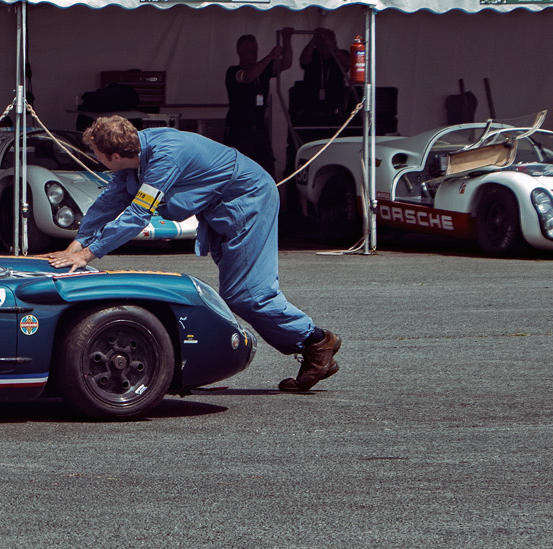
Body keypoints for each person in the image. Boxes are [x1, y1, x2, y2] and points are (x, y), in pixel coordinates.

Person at [46, 116, 342, 392]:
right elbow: (108, 202)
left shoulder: (165, 157)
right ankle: (314, 346)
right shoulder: (136, 155)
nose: (95, 158)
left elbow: (138, 214)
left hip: (249, 201)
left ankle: (317, 341)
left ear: (113, 156)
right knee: (242, 293)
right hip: (224, 210)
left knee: (248, 294)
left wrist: (87, 256)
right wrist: (76, 246)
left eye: (96, 153)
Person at [224, 30, 293, 173]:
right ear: (239, 51)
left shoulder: (264, 69)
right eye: (250, 51)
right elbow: (247, 77)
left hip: (259, 130)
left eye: (255, 51)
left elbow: (286, 63)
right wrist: (269, 56)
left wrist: (287, 39)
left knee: (267, 168)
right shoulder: (233, 72)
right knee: (242, 171)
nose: (254, 55)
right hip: (240, 131)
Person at [291, 28, 354, 127]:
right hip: (311, 114)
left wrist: (333, 48)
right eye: (322, 44)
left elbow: (347, 63)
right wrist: (314, 40)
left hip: (334, 114)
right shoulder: (314, 54)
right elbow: (303, 60)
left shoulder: (340, 55)